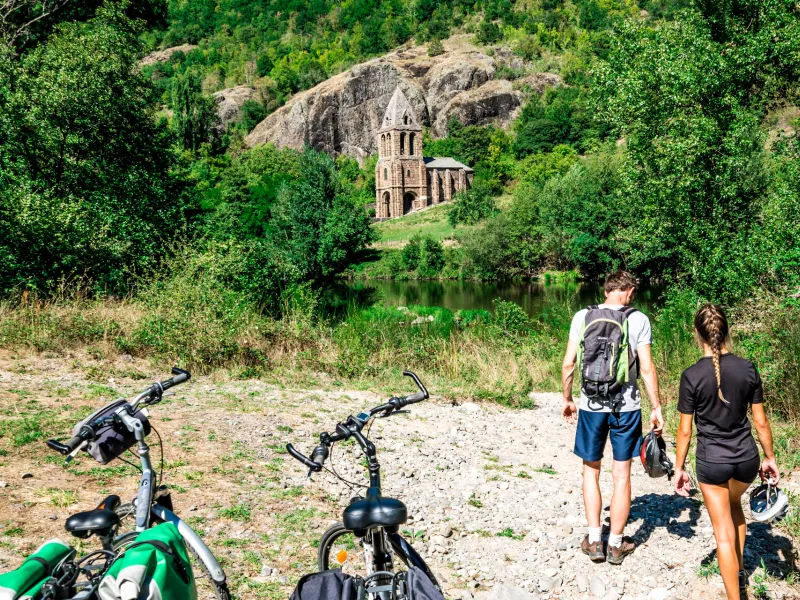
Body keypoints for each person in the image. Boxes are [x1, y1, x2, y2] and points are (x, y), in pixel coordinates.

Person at [673, 304, 779, 600]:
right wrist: (769, 458)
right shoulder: (747, 368)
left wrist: (679, 469)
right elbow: (760, 420)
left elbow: (685, 430)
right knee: (735, 507)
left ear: (697, 334)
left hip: (713, 462)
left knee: (722, 532)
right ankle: (740, 570)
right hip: (746, 459)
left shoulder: (692, 375)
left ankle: (735, 597)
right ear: (726, 331)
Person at [562, 271, 664, 565]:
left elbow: (569, 364)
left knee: (590, 472)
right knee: (621, 475)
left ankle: (595, 541)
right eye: (634, 292)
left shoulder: (582, 316)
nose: (634, 296)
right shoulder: (638, 319)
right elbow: (646, 368)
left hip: (592, 407)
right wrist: (656, 405)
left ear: (607, 290)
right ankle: (616, 545)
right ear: (628, 290)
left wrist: (568, 399)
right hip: (627, 408)